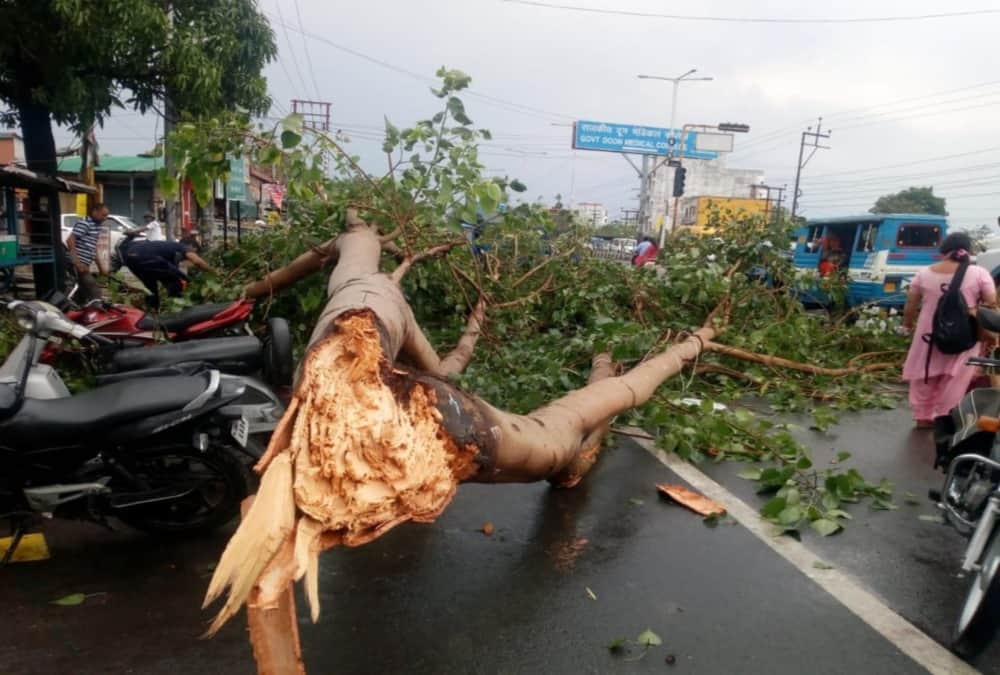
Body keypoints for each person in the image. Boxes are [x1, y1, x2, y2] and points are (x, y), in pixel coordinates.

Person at [900, 232, 997, 428]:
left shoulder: (924, 273)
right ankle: (944, 416)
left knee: (925, 374)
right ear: (968, 251)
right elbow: (991, 302)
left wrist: (907, 326)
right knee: (956, 376)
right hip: (964, 334)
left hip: (928, 334)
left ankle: (922, 417)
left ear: (943, 251)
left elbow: (910, 306)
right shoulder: (978, 273)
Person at [118, 237, 215, 309]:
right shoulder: (181, 247)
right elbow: (197, 261)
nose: (194, 253)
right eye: (195, 251)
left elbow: (171, 269)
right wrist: (213, 272)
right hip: (146, 257)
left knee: (151, 288)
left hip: (130, 258)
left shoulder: (169, 249)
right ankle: (177, 308)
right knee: (177, 282)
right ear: (191, 246)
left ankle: (152, 313)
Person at [66, 203, 110, 302]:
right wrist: (77, 263)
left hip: (84, 264)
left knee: (82, 293)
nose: (105, 218)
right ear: (94, 212)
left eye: (106, 215)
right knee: (94, 291)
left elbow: (93, 249)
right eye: (103, 215)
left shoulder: (97, 226)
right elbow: (70, 240)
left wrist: (101, 269)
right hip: (76, 263)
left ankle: (74, 312)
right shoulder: (85, 223)